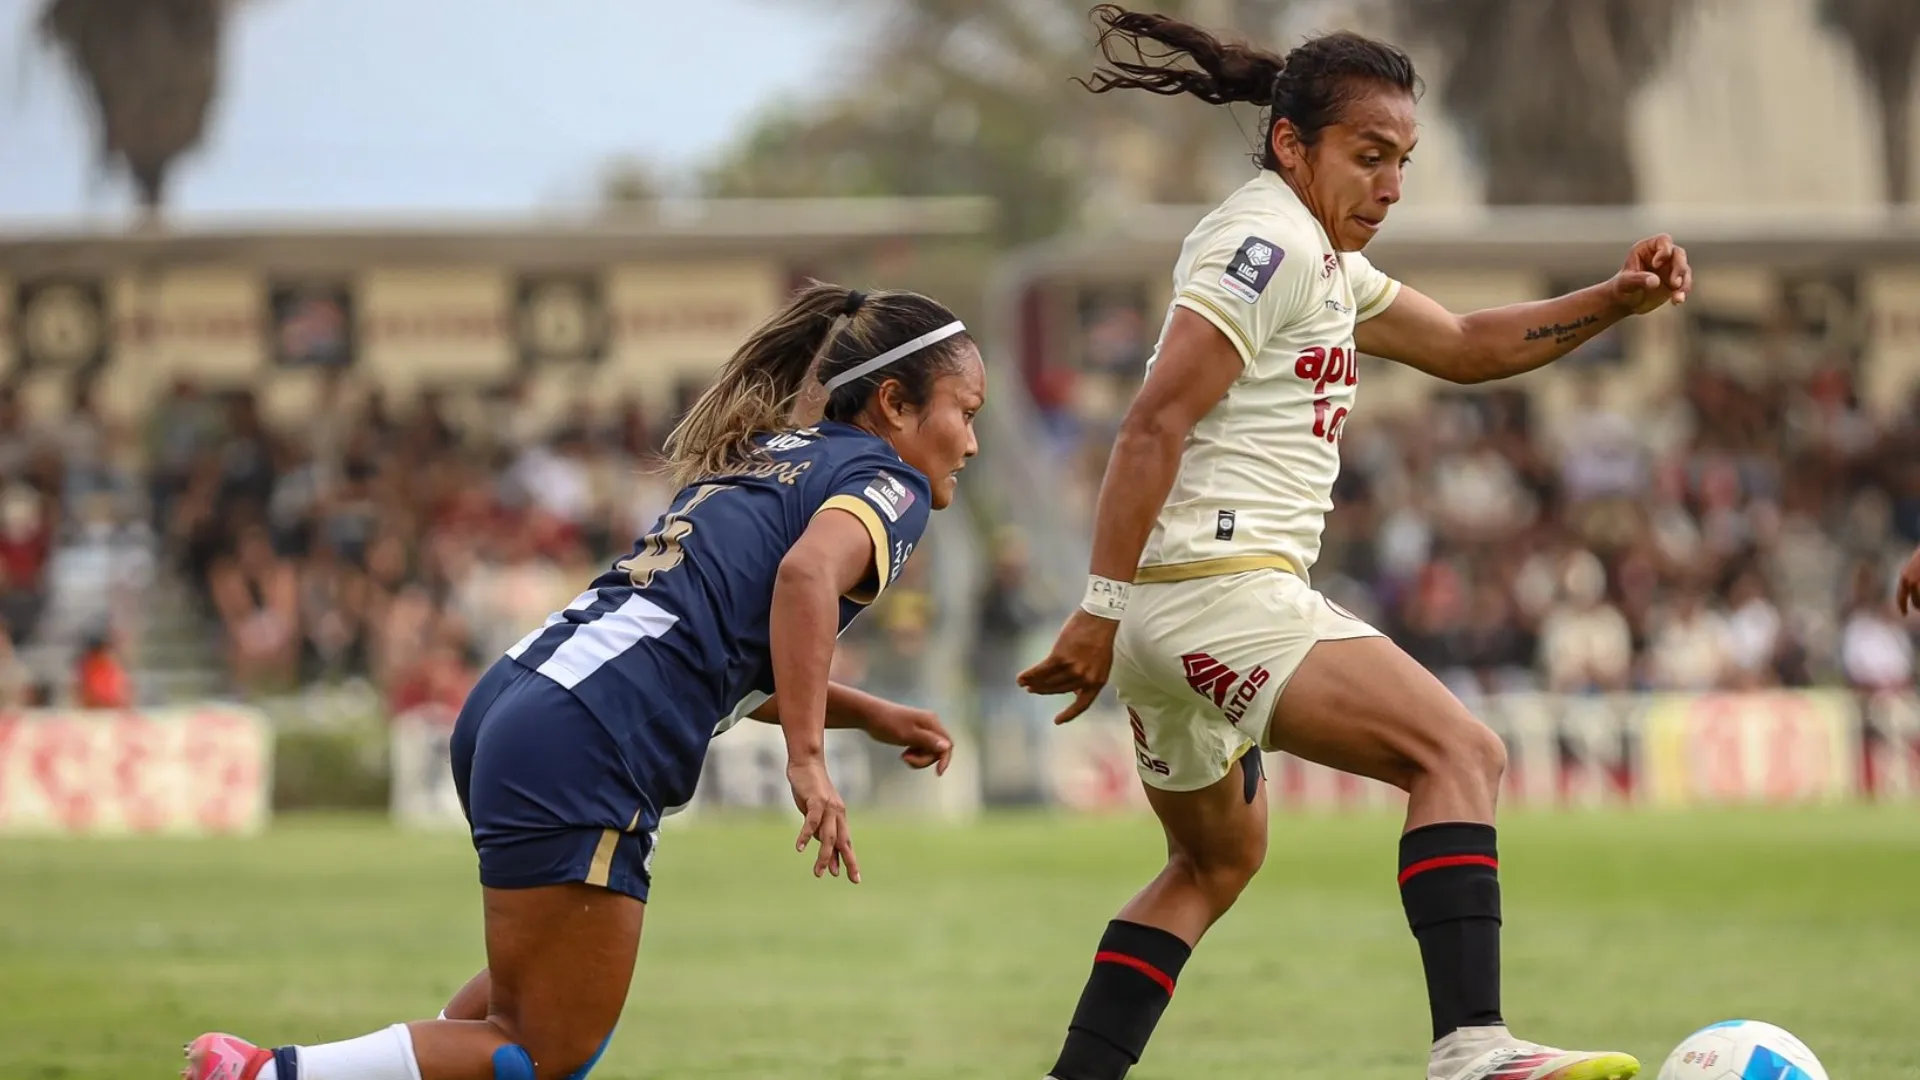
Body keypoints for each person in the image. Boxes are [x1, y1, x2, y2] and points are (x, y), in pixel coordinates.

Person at [1017, 8, 1691, 1080]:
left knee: (1211, 861)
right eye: (1368, 156)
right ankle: (1472, 1048)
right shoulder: (1268, 241)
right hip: (1214, 591)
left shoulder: (1323, 260)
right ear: (1293, 145)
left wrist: (1614, 299)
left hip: (1173, 611)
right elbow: (1152, 420)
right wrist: (1096, 605)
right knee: (1461, 753)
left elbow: (1466, 346)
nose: (1389, 184)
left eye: (1404, 162)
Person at [183, 282, 985, 1080]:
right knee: (545, 1049)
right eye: (966, 412)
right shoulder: (890, 481)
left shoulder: (773, 454)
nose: (973, 442)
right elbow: (806, 581)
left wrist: (872, 714)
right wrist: (809, 760)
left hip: (518, 702)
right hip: (589, 737)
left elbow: (727, 656)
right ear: (894, 405)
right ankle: (260, 1075)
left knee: (531, 1004)